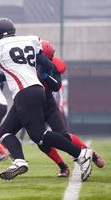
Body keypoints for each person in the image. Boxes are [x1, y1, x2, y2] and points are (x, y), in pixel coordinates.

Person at [0, 18, 93, 181]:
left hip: (24, 92)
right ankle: (19, 161)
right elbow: (47, 65)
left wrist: (8, 73)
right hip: (36, 89)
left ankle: (81, 155)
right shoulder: (30, 40)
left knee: (38, 135)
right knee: (4, 132)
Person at [35, 40, 104, 176]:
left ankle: (90, 153)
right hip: (34, 106)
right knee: (40, 141)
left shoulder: (54, 66)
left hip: (48, 104)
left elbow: (56, 86)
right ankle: (62, 166)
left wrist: (45, 76)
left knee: (63, 135)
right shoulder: (27, 64)